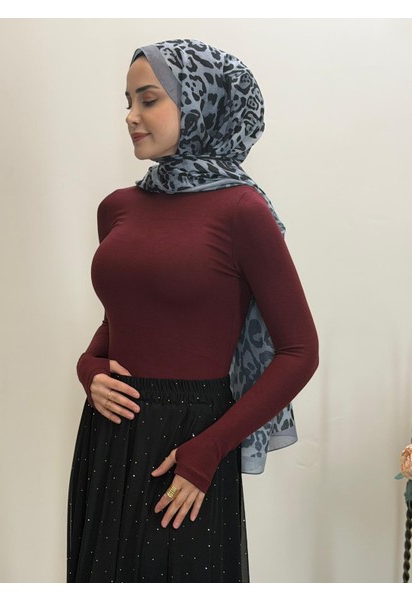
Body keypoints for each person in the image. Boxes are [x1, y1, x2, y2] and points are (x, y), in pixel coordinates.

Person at [67, 38, 319, 583]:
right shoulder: (117, 208)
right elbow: (120, 318)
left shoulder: (241, 210)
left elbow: (299, 351)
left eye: (148, 99)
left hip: (190, 446)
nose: (131, 116)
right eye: (127, 101)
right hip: (108, 436)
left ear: (199, 103)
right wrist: (88, 368)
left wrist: (208, 452)